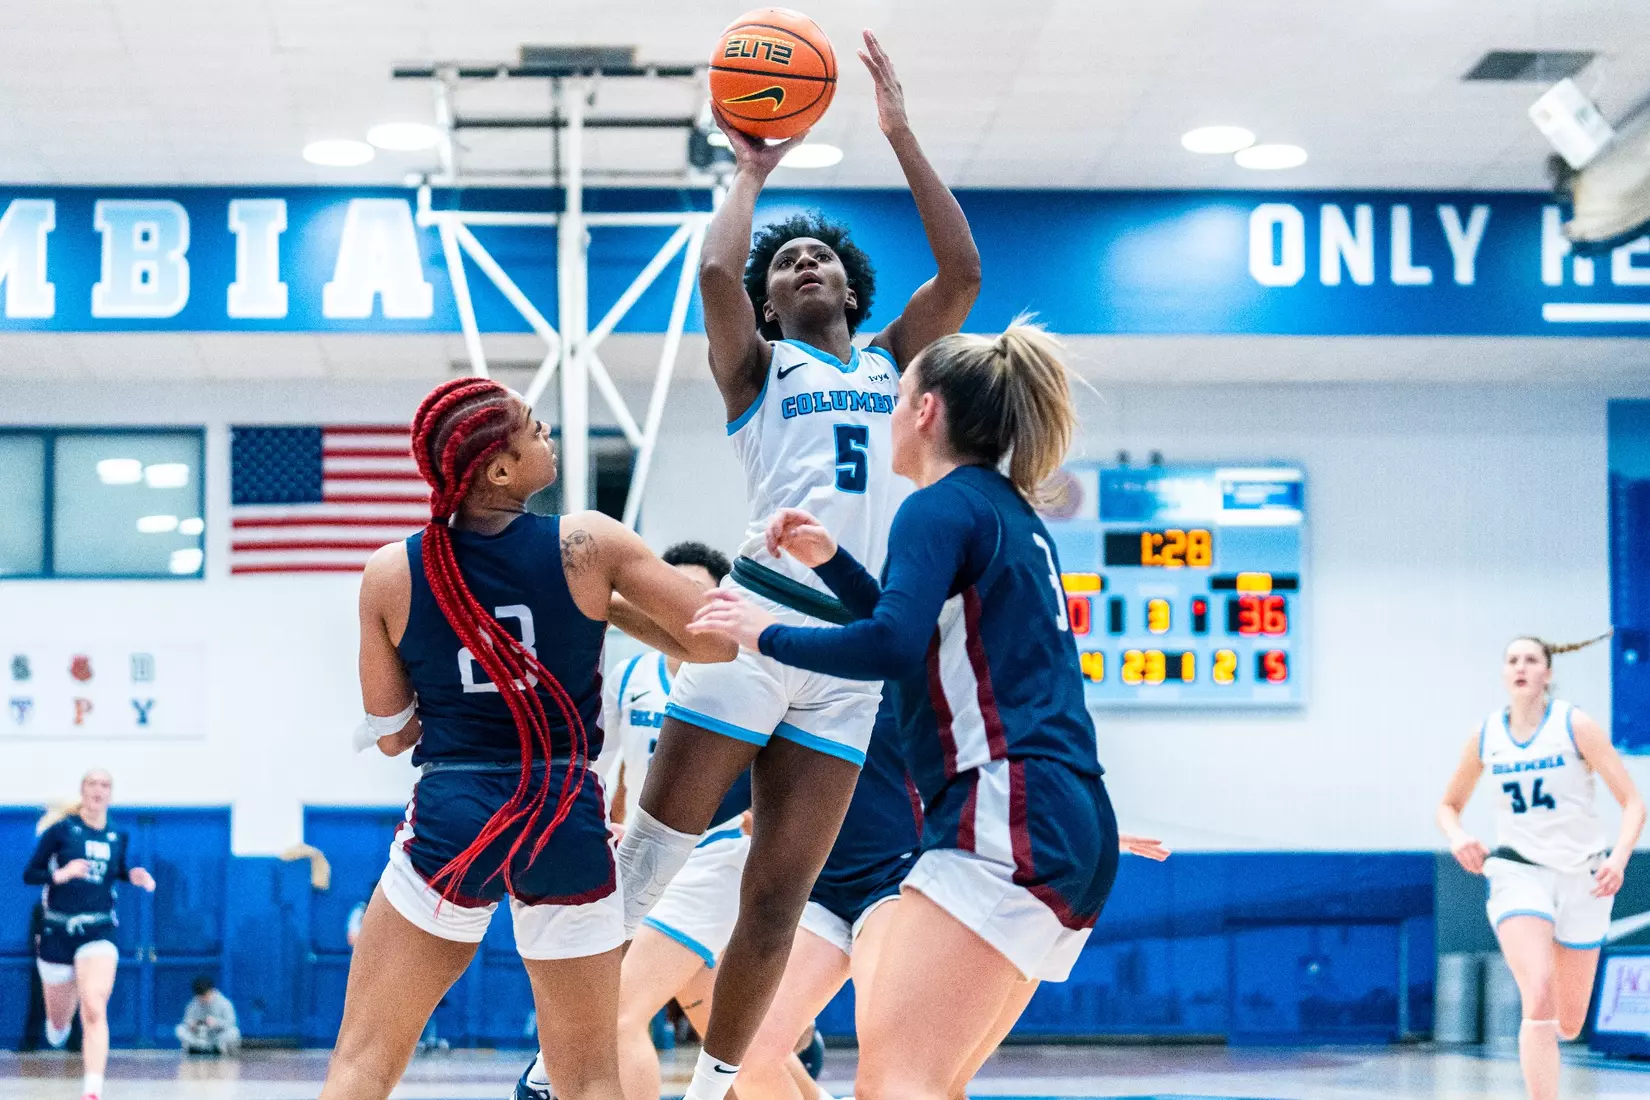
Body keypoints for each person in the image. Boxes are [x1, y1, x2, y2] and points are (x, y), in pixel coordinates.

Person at [617, 31, 981, 1100]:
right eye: (786, 265)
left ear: (853, 292)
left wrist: (901, 133)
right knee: (649, 862)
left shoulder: (894, 362)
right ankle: (563, 1059)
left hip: (851, 656)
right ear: (771, 306)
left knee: (777, 899)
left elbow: (963, 273)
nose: (803, 263)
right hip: (753, 626)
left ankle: (712, 1087)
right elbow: (715, 270)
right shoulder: (758, 370)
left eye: (819, 256)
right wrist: (750, 169)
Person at [690, 320, 1157, 1100]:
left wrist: (762, 632)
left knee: (896, 1084)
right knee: (932, 1084)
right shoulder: (1001, 508)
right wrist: (834, 565)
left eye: (896, 397)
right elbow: (916, 635)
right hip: (1058, 816)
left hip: (1004, 812)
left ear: (926, 411)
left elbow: (891, 646)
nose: (887, 415)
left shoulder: (935, 508)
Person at [317, 377, 734, 1100]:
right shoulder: (588, 544)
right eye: (535, 429)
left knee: (363, 1062)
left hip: (455, 815)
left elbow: (391, 736)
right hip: (562, 813)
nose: (549, 436)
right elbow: (715, 643)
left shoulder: (390, 572)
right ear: (501, 470)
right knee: (589, 1078)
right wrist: (602, 609)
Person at [516, 543, 817, 1100]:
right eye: (667, 589)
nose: (679, 602)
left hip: (716, 857)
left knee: (617, 1015)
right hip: (648, 856)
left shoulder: (746, 676)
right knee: (740, 1042)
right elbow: (605, 768)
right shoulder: (630, 675)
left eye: (694, 592)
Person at [1437, 634, 1645, 1100]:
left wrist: (1618, 859)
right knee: (1539, 994)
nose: (1521, 667)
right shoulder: (1486, 735)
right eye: (1512, 659)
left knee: (1568, 1023)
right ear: (1503, 672)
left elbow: (1633, 802)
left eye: (1531, 659)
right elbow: (1448, 805)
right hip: (1518, 872)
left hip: (1584, 878)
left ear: (1547, 673)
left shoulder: (1574, 725)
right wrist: (1458, 836)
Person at [23, 769, 156, 1100]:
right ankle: (58, 1024)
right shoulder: (61, 831)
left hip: (98, 929)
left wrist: (131, 875)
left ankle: (92, 1090)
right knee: (57, 1023)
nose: (98, 789)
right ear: (82, 791)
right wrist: (61, 874)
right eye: (92, 784)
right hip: (57, 930)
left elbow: (116, 871)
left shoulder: (117, 835)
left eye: (105, 785)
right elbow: (30, 873)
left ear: (110, 793)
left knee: (94, 1005)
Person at [175, 976, 240, 1055]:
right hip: (199, 1037)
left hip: (217, 1037)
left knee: (233, 1032)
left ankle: (218, 1048)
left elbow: (231, 1022)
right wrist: (192, 1024)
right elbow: (187, 1020)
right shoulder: (193, 1004)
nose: (203, 999)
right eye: (200, 997)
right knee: (180, 1029)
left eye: (206, 996)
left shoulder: (224, 1003)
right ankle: (195, 1048)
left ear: (212, 991)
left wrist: (217, 1023)